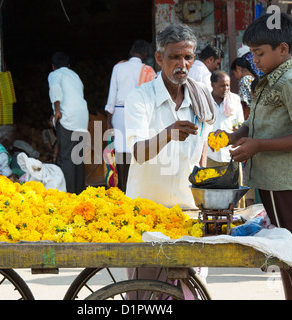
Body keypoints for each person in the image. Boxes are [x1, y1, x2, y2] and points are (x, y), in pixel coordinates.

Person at [216, 13, 292, 300]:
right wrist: (238, 134)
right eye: (252, 53)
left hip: (286, 181)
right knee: (286, 258)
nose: (255, 59)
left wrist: (258, 145)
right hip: (274, 180)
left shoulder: (289, 82)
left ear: (283, 50)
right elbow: (263, 121)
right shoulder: (268, 80)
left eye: (259, 53)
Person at [124, 24, 215, 297]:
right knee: (145, 296)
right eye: (175, 57)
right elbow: (138, 152)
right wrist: (168, 134)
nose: (182, 64)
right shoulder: (140, 98)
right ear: (159, 58)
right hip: (146, 215)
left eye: (188, 57)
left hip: (187, 212)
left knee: (188, 292)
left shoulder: (201, 98)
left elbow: (202, 154)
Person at [105, 40, 156, 192]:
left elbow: (112, 94)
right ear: (145, 54)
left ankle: (122, 188)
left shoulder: (118, 67)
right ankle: (135, 188)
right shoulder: (148, 70)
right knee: (137, 149)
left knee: (120, 151)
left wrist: (108, 120)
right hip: (139, 113)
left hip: (119, 113)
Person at [48, 52, 89, 194]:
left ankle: (69, 195)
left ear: (53, 67)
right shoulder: (74, 75)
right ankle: (79, 192)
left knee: (66, 158)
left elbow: (55, 89)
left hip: (68, 118)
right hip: (82, 118)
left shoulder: (55, 74)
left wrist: (57, 110)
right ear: (69, 66)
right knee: (78, 158)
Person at [207, 70, 245, 207]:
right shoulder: (205, 101)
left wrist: (232, 135)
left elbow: (241, 126)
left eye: (228, 85)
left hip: (231, 155)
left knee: (235, 197)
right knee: (212, 195)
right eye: (222, 86)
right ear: (213, 84)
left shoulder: (234, 101)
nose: (226, 89)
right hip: (211, 156)